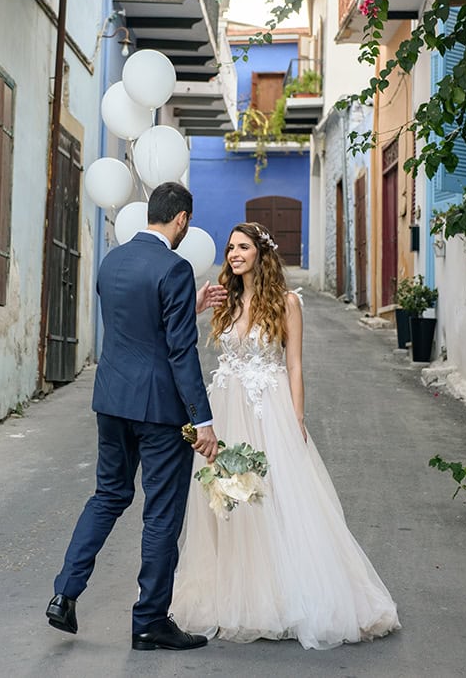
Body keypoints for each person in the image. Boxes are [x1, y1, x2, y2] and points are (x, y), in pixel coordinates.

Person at [171, 222, 401, 649]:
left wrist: (296, 418)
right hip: (224, 407)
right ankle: (236, 592)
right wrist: (200, 306)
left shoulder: (287, 302)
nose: (234, 254)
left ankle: (284, 594)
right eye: (230, 248)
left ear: (261, 252)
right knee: (228, 501)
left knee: (275, 497)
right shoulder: (227, 301)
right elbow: (182, 336)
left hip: (268, 408)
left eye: (242, 247)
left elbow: (294, 364)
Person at [46, 182, 222, 652]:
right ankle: (149, 622)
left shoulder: (113, 261)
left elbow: (135, 326)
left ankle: (64, 594)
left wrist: (193, 308)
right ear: (181, 220)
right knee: (161, 513)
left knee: (108, 496)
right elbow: (179, 350)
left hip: (111, 400)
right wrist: (201, 420)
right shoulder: (175, 268)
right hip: (160, 411)